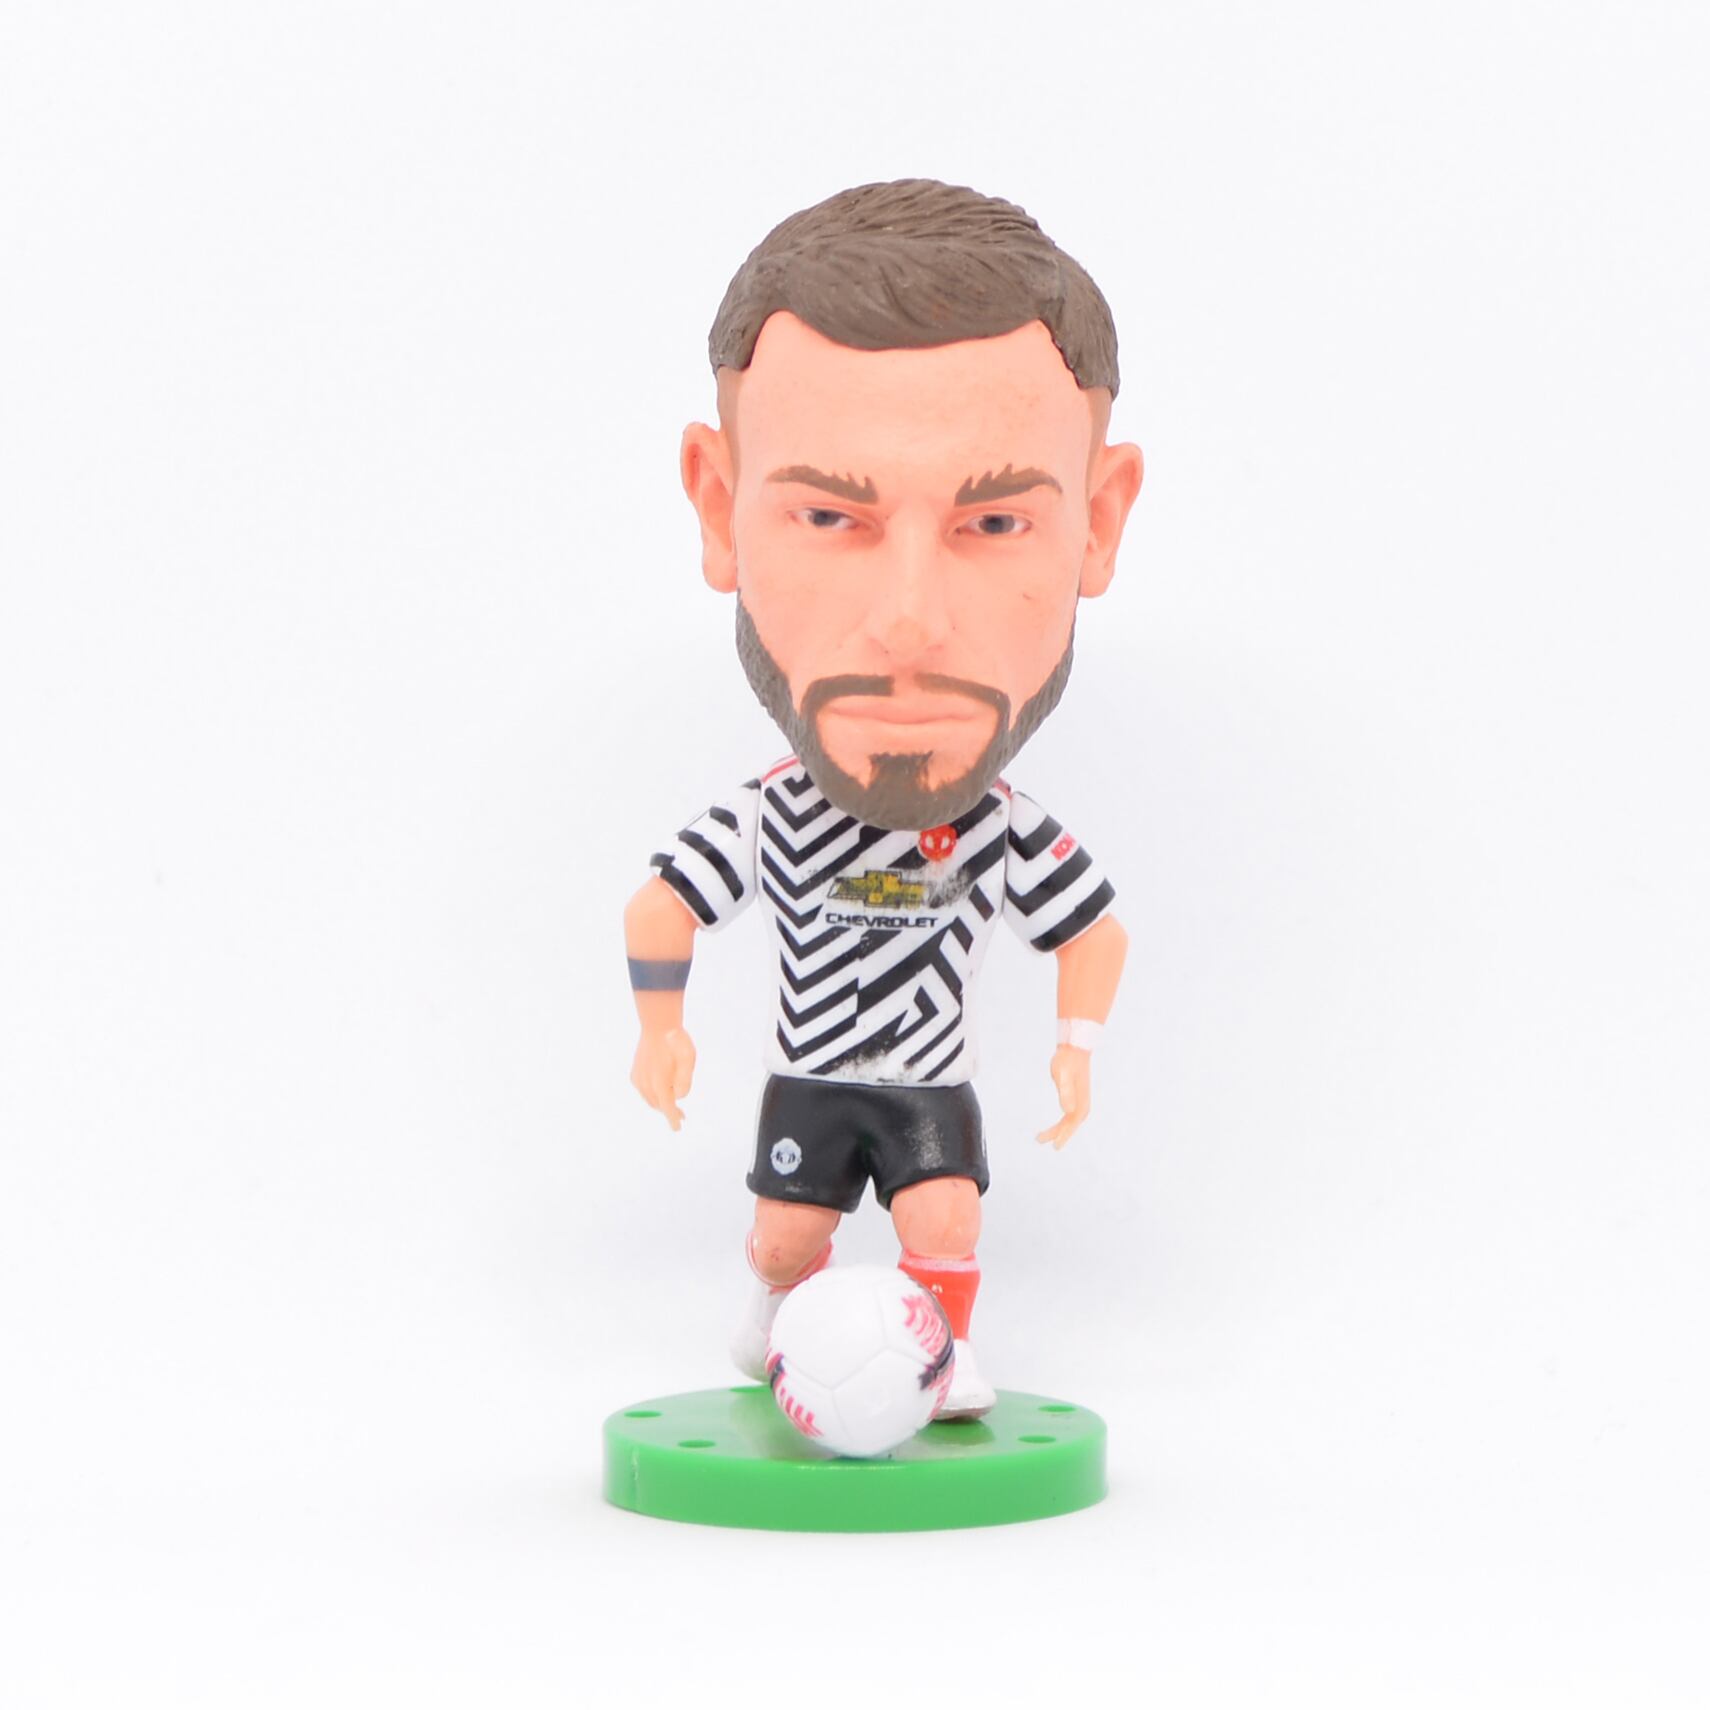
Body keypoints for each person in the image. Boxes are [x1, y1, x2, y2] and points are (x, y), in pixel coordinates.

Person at [622, 179, 1142, 1416]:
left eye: (995, 520)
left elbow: (1092, 928)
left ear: (1098, 524)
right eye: (828, 514)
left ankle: (944, 1352)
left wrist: (1076, 1050)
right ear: (719, 510)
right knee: (783, 1238)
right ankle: (770, 1319)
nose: (910, 623)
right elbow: (663, 904)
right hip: (811, 1074)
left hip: (924, 1084)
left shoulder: (1001, 832)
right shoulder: (767, 817)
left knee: (947, 1218)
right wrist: (658, 1026)